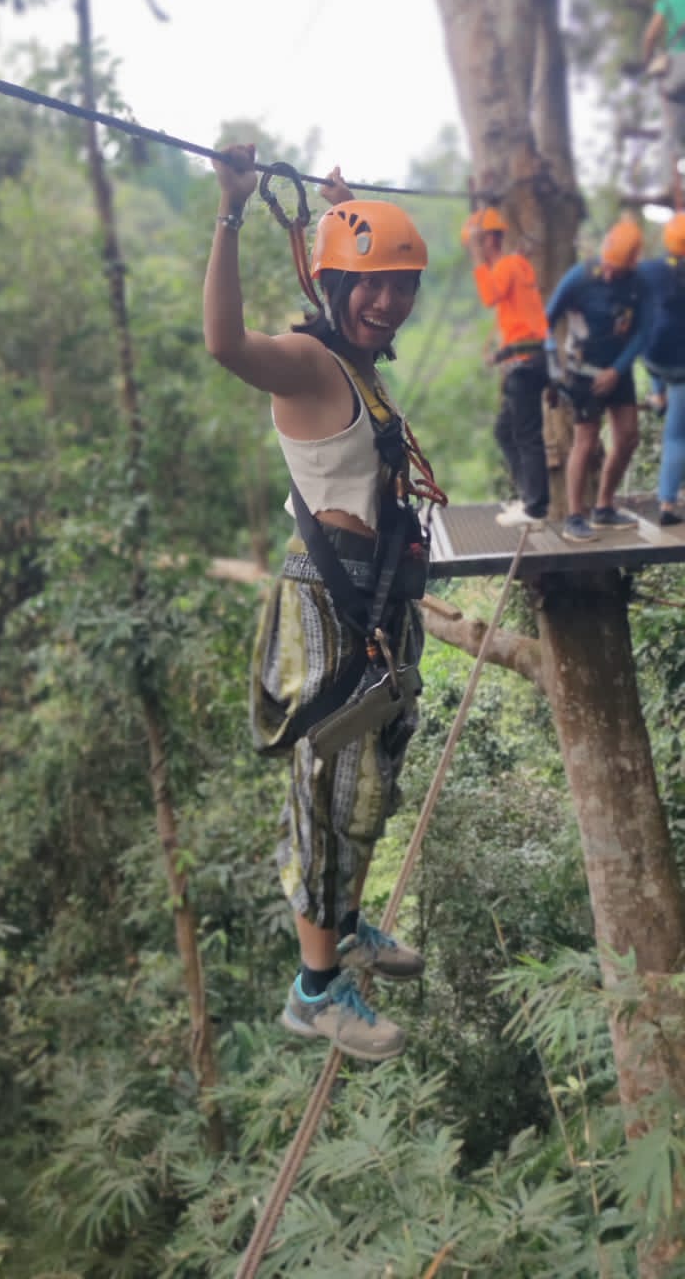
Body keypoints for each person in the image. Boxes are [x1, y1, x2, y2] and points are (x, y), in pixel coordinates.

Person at [203, 146, 444, 1063]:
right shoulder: (309, 363)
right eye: (371, 287)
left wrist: (346, 210)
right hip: (333, 599)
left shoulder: (356, 359)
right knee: (330, 786)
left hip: (378, 593)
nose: (389, 303)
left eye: (401, 288)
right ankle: (314, 991)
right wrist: (230, 210)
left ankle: (344, 929)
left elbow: (347, 270)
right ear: (335, 287)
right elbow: (226, 345)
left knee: (371, 777)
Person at [545, 217, 646, 543]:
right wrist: (552, 368)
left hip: (618, 368)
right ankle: (575, 516)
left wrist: (617, 369)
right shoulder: (580, 278)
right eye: (607, 265)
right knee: (585, 441)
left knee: (629, 437)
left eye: (618, 268)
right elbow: (546, 320)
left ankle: (604, 507)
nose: (610, 273)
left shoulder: (635, 283)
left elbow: (643, 330)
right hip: (583, 371)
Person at [463, 206, 550, 527]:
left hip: (525, 365)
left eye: (478, 246)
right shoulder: (517, 265)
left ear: (488, 241)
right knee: (505, 431)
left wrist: (475, 256)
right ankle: (530, 498)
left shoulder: (507, 266)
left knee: (526, 435)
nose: (478, 255)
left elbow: (488, 296)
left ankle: (535, 508)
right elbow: (524, 325)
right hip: (530, 358)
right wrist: (499, 357)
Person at [640, 212, 685, 526]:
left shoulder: (651, 270)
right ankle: (667, 504)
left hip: (654, 358)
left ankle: (657, 395)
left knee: (651, 342)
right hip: (682, 367)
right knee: (677, 437)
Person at [642, 0, 685, 202]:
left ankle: (670, 185)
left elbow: (651, 35)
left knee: (671, 132)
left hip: (678, 69)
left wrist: (648, 60)